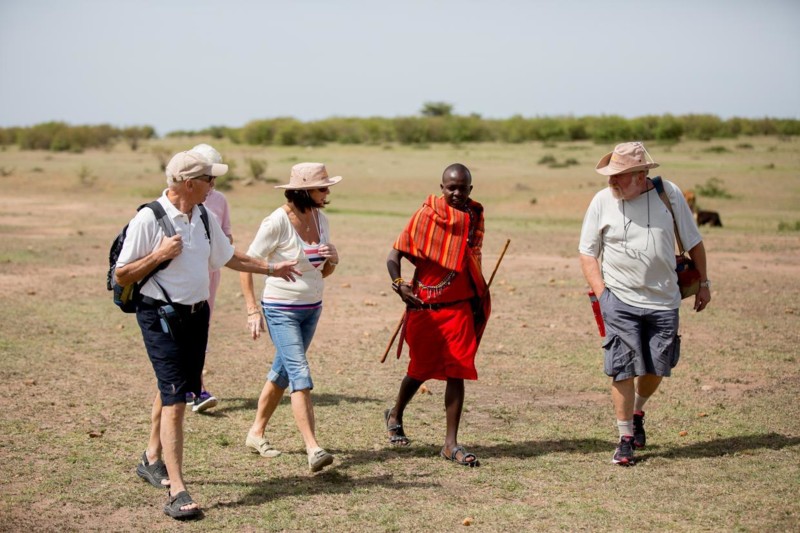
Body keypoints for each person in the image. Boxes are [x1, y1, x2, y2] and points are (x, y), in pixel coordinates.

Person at [115, 150, 300, 519]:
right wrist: (159, 254)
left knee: (176, 386)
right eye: (209, 180)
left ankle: (151, 457)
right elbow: (123, 274)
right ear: (189, 183)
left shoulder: (203, 215)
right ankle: (178, 492)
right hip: (161, 316)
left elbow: (228, 256)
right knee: (176, 399)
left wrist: (271, 268)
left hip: (198, 315)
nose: (214, 185)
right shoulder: (149, 218)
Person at [578, 142, 711, 466]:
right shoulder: (601, 201)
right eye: (610, 175)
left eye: (619, 176)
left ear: (640, 175)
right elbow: (587, 252)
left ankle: (637, 411)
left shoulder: (669, 194)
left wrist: (704, 283)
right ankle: (624, 438)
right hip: (619, 299)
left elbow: (694, 243)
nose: (612, 182)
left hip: (664, 299)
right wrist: (602, 294)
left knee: (657, 366)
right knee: (621, 367)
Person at [384, 163, 491, 467]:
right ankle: (395, 414)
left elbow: (470, 257)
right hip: (424, 308)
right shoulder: (426, 215)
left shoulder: (474, 216)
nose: (457, 193)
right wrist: (399, 285)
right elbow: (394, 256)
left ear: (470, 189)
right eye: (451, 187)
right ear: (441, 187)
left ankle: (450, 444)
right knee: (419, 370)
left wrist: (476, 295)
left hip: (459, 309)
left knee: (457, 370)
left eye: (463, 188)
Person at [241, 162, 342, 473]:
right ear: (303, 191)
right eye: (322, 188)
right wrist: (252, 310)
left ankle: (256, 433)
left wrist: (333, 261)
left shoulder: (320, 219)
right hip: (280, 309)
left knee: (283, 372)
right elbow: (246, 264)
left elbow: (321, 270)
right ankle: (313, 448)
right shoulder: (276, 222)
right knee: (299, 372)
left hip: (312, 308)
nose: (328, 193)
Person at [182, 143, 234, 413]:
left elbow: (227, 236)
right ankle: (191, 388)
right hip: (183, 275)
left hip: (210, 274)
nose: (212, 182)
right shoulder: (176, 198)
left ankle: (194, 387)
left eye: (215, 176)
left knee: (201, 329)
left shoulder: (219, 200)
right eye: (208, 176)